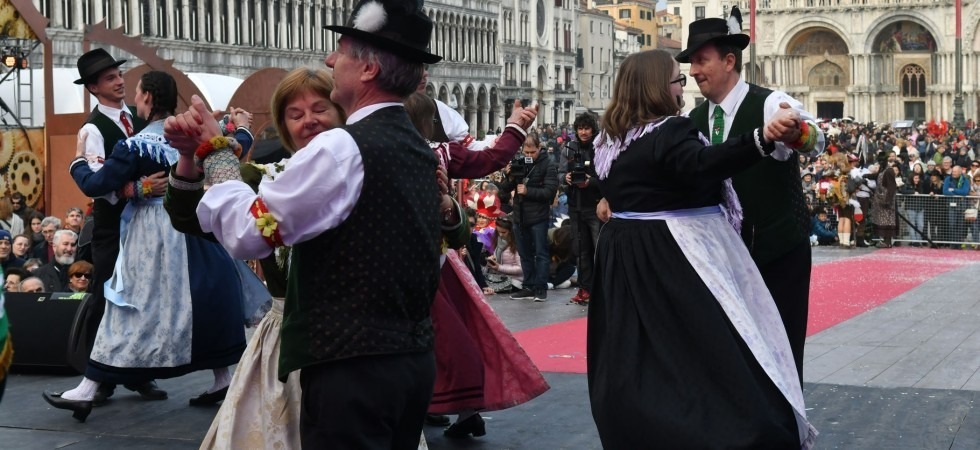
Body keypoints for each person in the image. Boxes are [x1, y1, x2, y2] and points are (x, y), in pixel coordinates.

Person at [166, 2, 446, 447]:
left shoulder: (342, 149)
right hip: (406, 360)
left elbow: (249, 232)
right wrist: (191, 158)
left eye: (342, 51)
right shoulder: (412, 145)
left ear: (369, 68)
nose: (331, 59)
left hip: (349, 367)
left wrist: (214, 150)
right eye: (295, 114)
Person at [587, 49, 816, 449]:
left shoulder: (612, 138)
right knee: (717, 348)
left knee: (640, 356)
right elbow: (702, 163)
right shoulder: (673, 129)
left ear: (729, 61)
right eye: (678, 77)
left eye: (696, 66)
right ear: (658, 87)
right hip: (675, 256)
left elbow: (630, 183)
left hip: (625, 260)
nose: (687, 80)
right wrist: (760, 139)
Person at [43, 71, 247, 422]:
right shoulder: (194, 136)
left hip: (151, 235)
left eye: (138, 93)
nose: (134, 99)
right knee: (197, 298)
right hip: (191, 226)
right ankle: (222, 375)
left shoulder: (135, 145)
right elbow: (232, 151)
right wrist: (242, 129)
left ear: (149, 97)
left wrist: (77, 162)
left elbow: (96, 184)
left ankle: (89, 387)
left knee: (127, 304)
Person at [166, 67, 346, 450]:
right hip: (282, 343)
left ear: (341, 113)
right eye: (295, 114)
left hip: (347, 345)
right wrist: (186, 156)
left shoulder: (360, 173)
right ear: (283, 126)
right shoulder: (264, 177)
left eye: (320, 108)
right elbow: (187, 216)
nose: (309, 120)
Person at [676, 7, 824, 377]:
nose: (693, 71)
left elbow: (817, 141)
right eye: (691, 63)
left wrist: (795, 132)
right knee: (730, 358)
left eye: (701, 60)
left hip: (777, 256)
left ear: (729, 61)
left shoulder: (770, 103)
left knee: (781, 353)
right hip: (722, 261)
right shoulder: (692, 121)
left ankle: (786, 415)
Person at [403, 91, 548, 437]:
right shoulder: (438, 151)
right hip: (434, 257)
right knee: (456, 328)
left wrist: (515, 129)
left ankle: (442, 405)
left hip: (422, 259)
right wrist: (514, 128)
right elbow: (490, 158)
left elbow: (488, 158)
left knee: (443, 332)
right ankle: (450, 406)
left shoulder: (373, 146)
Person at [67, 48, 166, 405]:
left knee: (141, 297)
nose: (119, 81)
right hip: (111, 226)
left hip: (144, 224)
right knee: (108, 296)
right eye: (110, 78)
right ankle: (97, 376)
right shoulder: (93, 128)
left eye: (119, 75)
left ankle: (139, 373)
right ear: (93, 87)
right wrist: (137, 188)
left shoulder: (138, 118)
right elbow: (97, 184)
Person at [498, 132, 559, 301]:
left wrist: (528, 191)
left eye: (533, 152)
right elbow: (504, 190)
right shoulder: (519, 162)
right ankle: (528, 286)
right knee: (524, 254)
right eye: (526, 152)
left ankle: (540, 288)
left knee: (541, 253)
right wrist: (508, 176)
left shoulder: (548, 164)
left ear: (539, 148)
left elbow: (550, 192)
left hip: (539, 216)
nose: (529, 156)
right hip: (520, 216)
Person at [558, 112, 601, 305]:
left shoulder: (600, 147)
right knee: (580, 250)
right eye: (580, 129)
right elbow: (560, 173)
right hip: (575, 206)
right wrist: (565, 178)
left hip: (595, 206)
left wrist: (591, 182)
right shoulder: (568, 148)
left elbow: (607, 177)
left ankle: (602, 288)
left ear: (593, 129)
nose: (584, 132)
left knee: (599, 249)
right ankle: (584, 288)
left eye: (587, 128)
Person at [870, 162, 900, 247]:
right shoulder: (883, 172)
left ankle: (887, 242)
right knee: (884, 222)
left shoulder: (888, 172)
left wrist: (887, 200)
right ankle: (886, 241)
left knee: (887, 222)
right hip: (883, 201)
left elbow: (891, 187)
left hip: (887, 202)